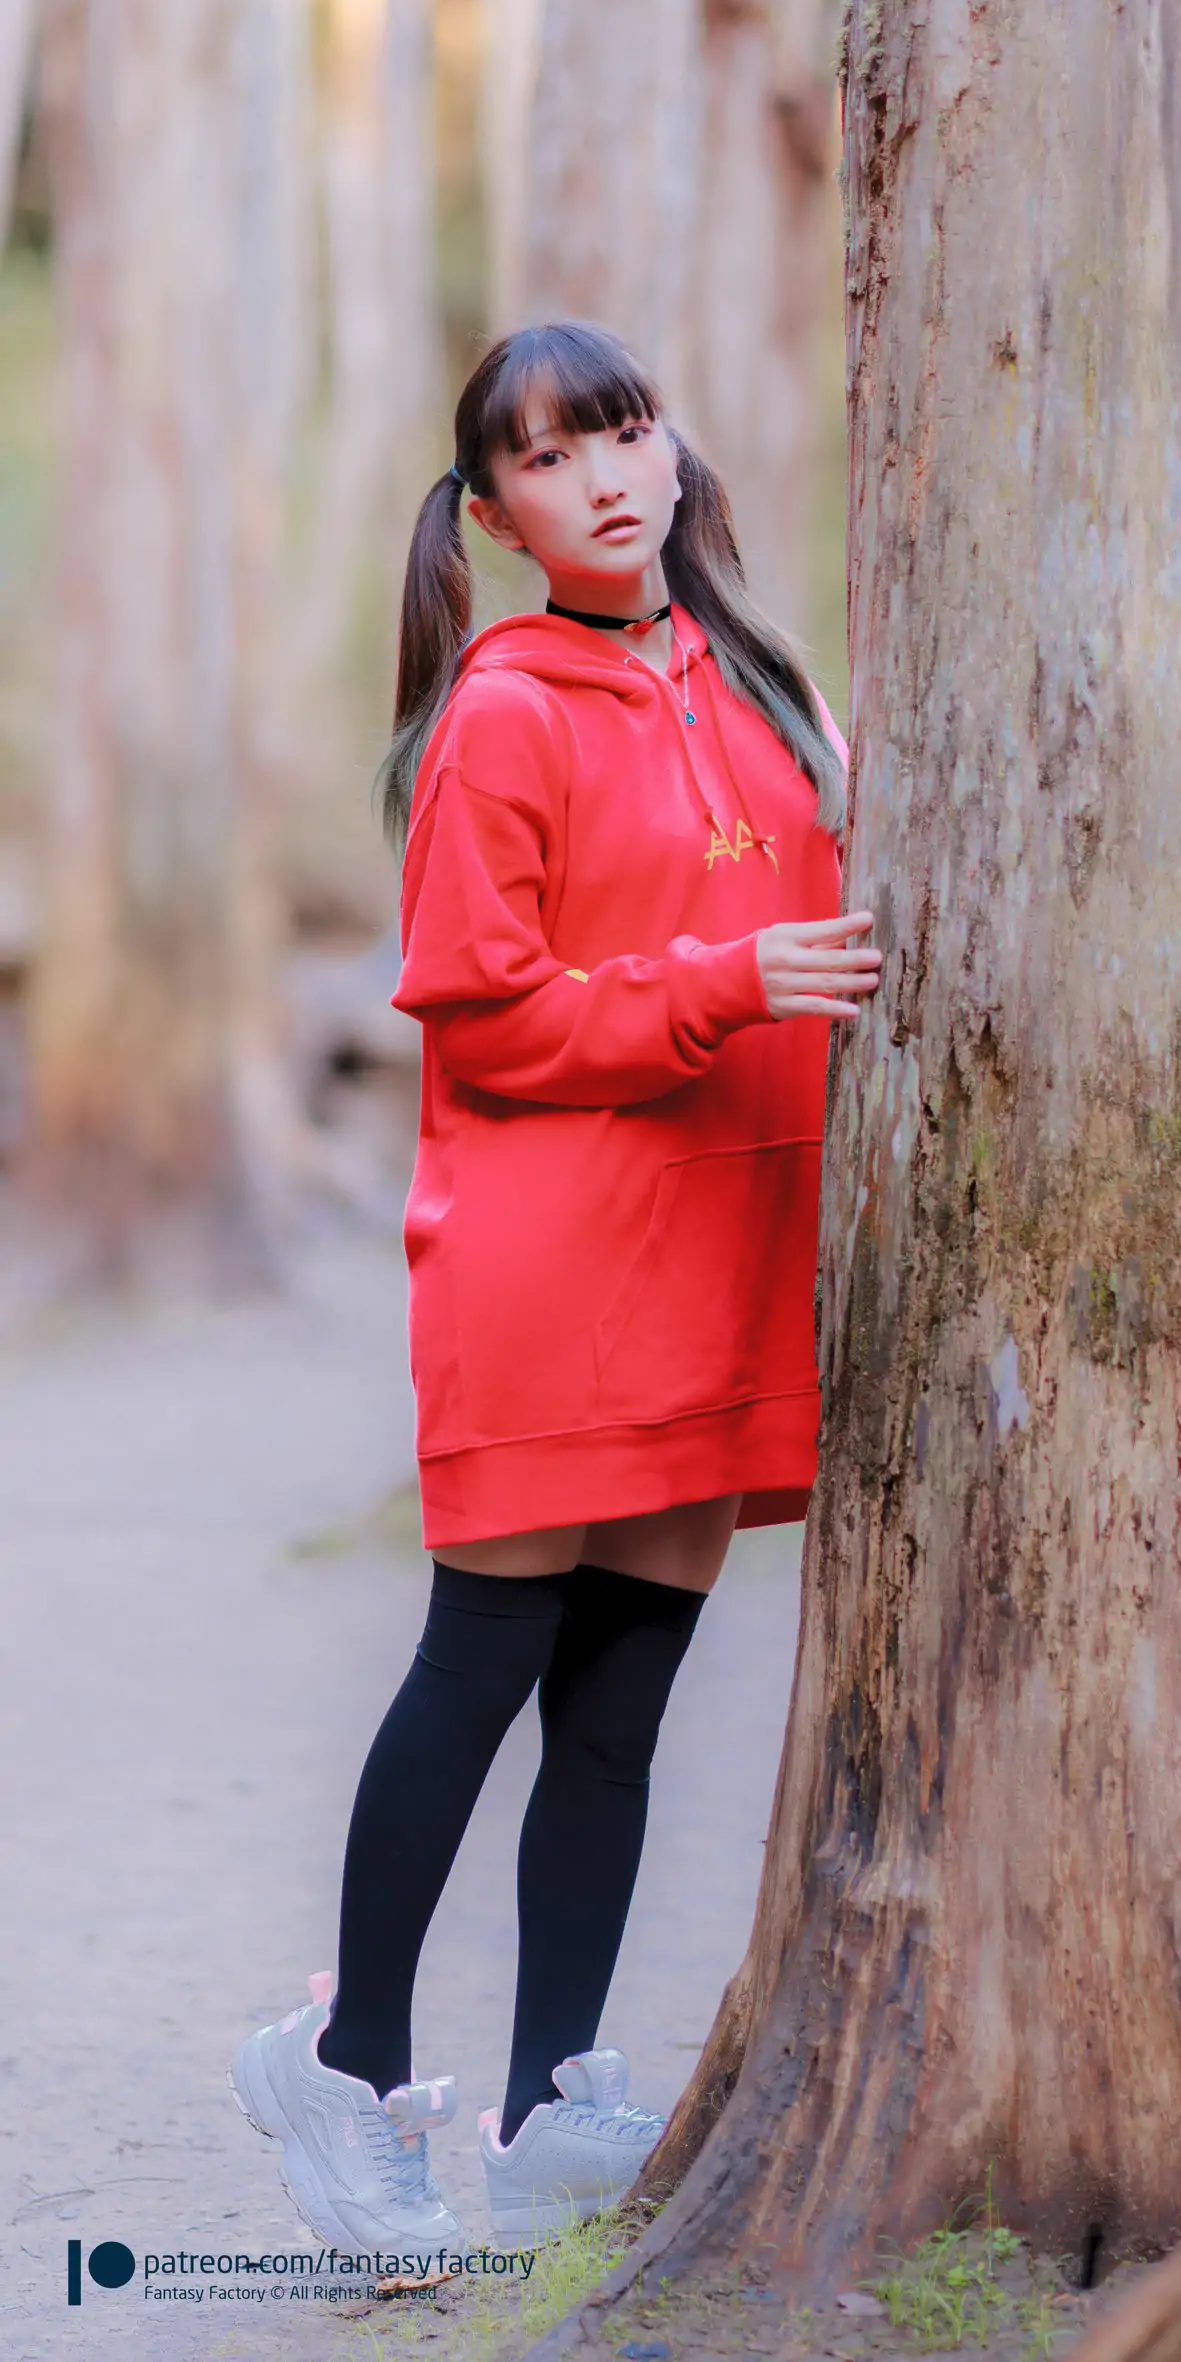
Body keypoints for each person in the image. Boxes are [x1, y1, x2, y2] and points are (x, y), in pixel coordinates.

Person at [230, 322, 880, 2257]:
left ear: (671, 452)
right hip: (547, 1253)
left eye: (623, 429)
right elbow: (482, 1009)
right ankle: (344, 2066)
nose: (602, 474)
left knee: (620, 1699)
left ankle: (547, 2110)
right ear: (498, 516)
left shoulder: (766, 681)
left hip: (727, 1246)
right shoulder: (503, 712)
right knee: (481, 1662)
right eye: (547, 454)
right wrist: (722, 985)